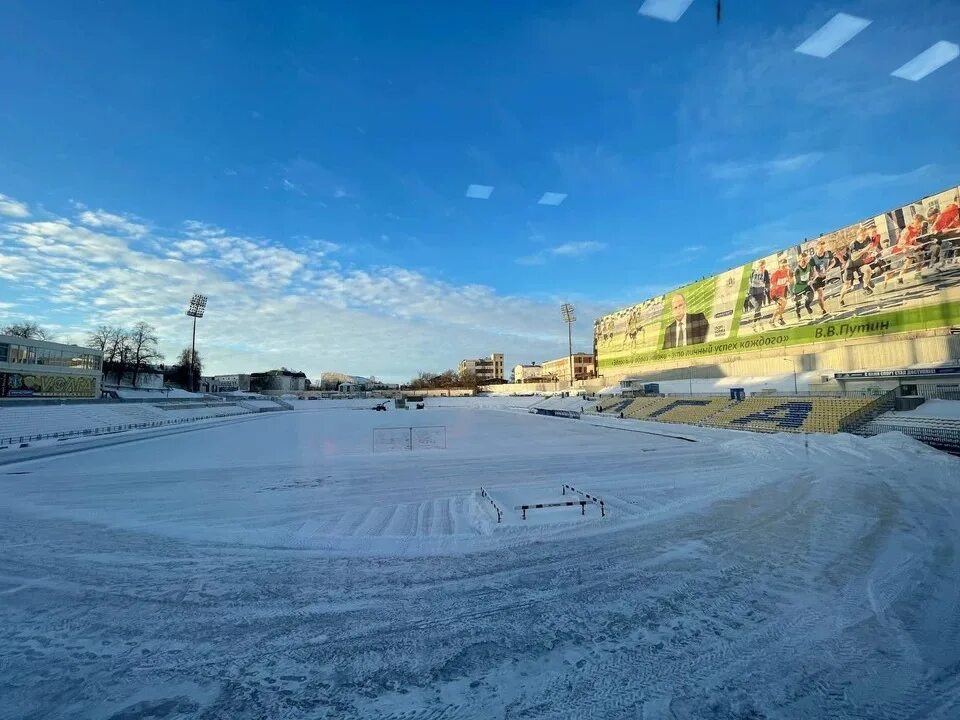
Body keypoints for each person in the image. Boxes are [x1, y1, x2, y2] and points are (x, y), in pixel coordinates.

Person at [839, 227, 875, 306]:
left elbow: (867, 252)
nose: (865, 236)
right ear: (859, 234)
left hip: (859, 264)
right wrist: (865, 250)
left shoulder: (866, 241)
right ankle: (841, 299)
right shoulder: (853, 243)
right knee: (847, 285)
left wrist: (871, 253)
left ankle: (865, 286)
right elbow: (854, 257)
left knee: (868, 269)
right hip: (850, 266)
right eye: (863, 235)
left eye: (866, 234)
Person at [809, 239, 832, 316]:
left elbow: (834, 261)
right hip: (816, 278)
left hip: (824, 276)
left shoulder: (828, 254)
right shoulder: (813, 259)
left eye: (824, 248)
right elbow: (814, 271)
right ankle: (824, 310)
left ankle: (822, 307)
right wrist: (819, 274)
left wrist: (829, 267)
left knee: (821, 294)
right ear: (817, 248)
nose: (823, 250)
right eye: (821, 248)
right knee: (820, 293)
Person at [746, 259, 770, 329]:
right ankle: (758, 323)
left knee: (758, 308)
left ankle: (755, 324)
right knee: (757, 307)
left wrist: (767, 288)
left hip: (760, 292)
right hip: (752, 293)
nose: (762, 268)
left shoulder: (765, 272)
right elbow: (749, 282)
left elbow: (768, 281)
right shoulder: (753, 272)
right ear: (758, 266)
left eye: (763, 266)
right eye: (760, 266)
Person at [768, 258, 791, 327]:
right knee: (784, 302)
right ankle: (779, 319)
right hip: (774, 293)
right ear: (779, 264)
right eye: (782, 265)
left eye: (785, 265)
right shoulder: (776, 273)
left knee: (780, 307)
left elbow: (788, 280)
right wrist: (782, 284)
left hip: (782, 292)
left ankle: (773, 320)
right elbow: (773, 285)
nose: (784, 267)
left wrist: (788, 282)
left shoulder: (787, 271)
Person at [792, 252, 815, 320]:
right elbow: (797, 281)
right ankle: (798, 314)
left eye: (806, 260)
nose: (805, 262)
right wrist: (807, 282)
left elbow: (811, 274)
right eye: (803, 260)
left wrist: (811, 279)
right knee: (798, 304)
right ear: (800, 260)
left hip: (806, 285)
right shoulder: (797, 270)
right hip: (798, 288)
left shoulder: (809, 266)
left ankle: (807, 306)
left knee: (811, 295)